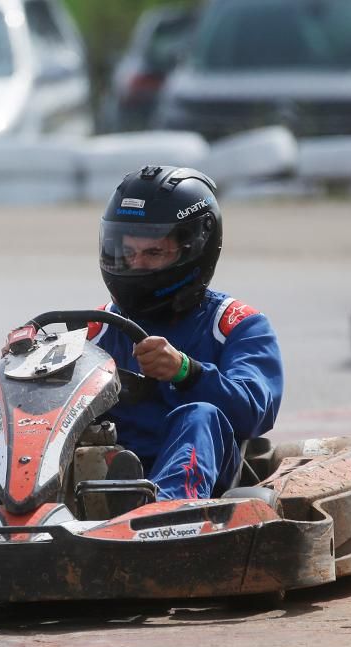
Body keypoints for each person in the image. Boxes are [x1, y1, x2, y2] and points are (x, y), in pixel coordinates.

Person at [86, 165, 283, 501]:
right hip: (105, 466)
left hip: (201, 469)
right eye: (128, 253)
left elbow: (253, 412)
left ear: (193, 248)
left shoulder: (237, 325)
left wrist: (186, 371)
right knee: (30, 421)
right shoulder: (98, 327)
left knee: (201, 414)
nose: (136, 266)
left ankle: (168, 507)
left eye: (153, 253)